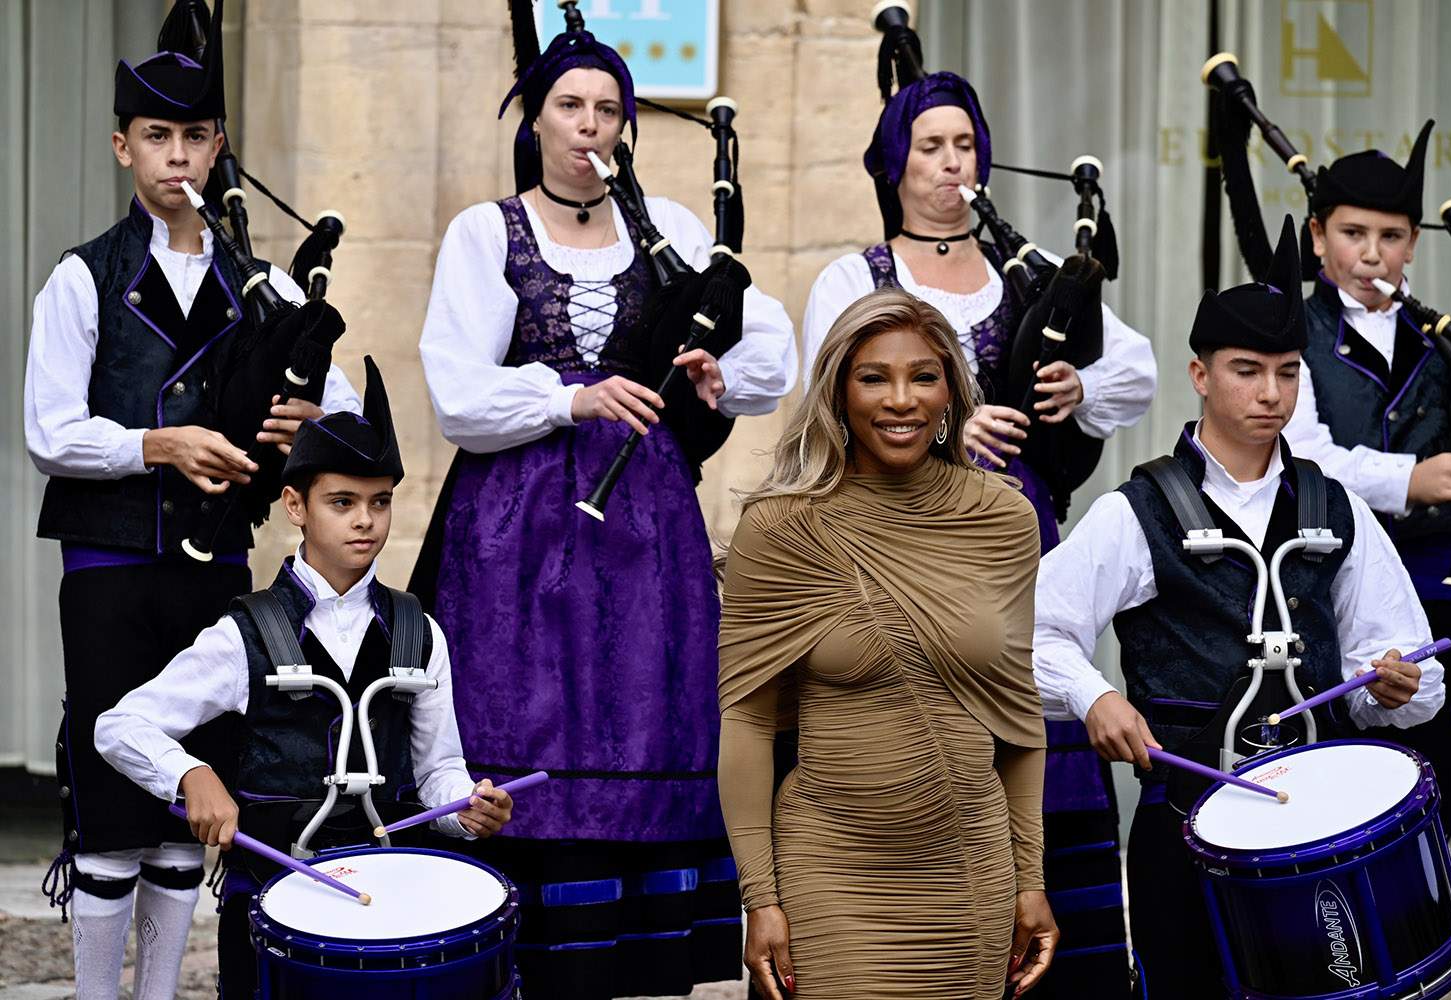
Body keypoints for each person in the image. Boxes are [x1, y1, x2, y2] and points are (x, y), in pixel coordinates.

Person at [409, 7, 797, 998]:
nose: (589, 125)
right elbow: (456, 394)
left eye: (608, 109)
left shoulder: (668, 229)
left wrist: (719, 372)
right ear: (535, 118)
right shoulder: (486, 231)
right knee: (525, 715)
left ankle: (637, 961)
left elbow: (768, 343)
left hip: (647, 527)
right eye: (569, 105)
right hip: (516, 527)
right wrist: (568, 398)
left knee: (645, 716)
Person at [23, 5, 359, 997]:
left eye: (196, 136)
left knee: (186, 814)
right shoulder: (83, 277)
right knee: (110, 814)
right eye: (157, 136)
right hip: (111, 568)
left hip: (218, 577)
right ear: (122, 147)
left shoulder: (269, 289)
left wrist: (309, 426)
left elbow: (341, 417)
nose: (177, 156)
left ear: (219, 148)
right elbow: (49, 431)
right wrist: (159, 444)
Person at [800, 67, 1153, 994]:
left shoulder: (1022, 273)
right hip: (895, 542)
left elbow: (1138, 370)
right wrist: (948, 428)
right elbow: (826, 405)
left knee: (1026, 733)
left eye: (964, 145)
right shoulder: (855, 278)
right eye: (931, 147)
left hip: (1014, 544)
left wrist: (1079, 386)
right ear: (895, 163)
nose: (951, 163)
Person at [1032, 218, 1444, 999]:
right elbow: (1028, 635)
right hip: (1186, 824)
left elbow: (1409, 669)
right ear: (1200, 373)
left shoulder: (1338, 508)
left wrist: (1391, 682)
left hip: (1321, 830)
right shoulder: (1138, 511)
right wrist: (1094, 696)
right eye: (1247, 371)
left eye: (1288, 373)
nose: (1270, 394)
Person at [95, 358, 511, 998]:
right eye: (342, 502)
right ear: (295, 505)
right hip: (271, 900)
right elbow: (119, 725)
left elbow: (438, 772)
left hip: (389, 899)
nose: (365, 520)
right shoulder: (244, 633)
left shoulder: (420, 630)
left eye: (379, 502)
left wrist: (467, 809)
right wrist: (190, 774)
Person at [718, 288, 1056, 999]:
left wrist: (1030, 879)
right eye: (874, 378)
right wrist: (760, 898)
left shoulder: (1004, 518)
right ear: (839, 393)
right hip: (830, 871)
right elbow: (746, 721)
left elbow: (1020, 720)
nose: (901, 400)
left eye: (923, 376)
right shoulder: (781, 528)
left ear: (950, 392)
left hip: (971, 874)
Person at [1280, 122, 1451, 845]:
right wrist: (1413, 479)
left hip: (1438, 579)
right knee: (1340, 759)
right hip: (1326, 576)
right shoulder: (1294, 333)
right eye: (1353, 233)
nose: (1372, 254)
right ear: (1318, 238)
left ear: (1414, 244)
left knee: (1437, 754)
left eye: (1392, 236)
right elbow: (1305, 454)